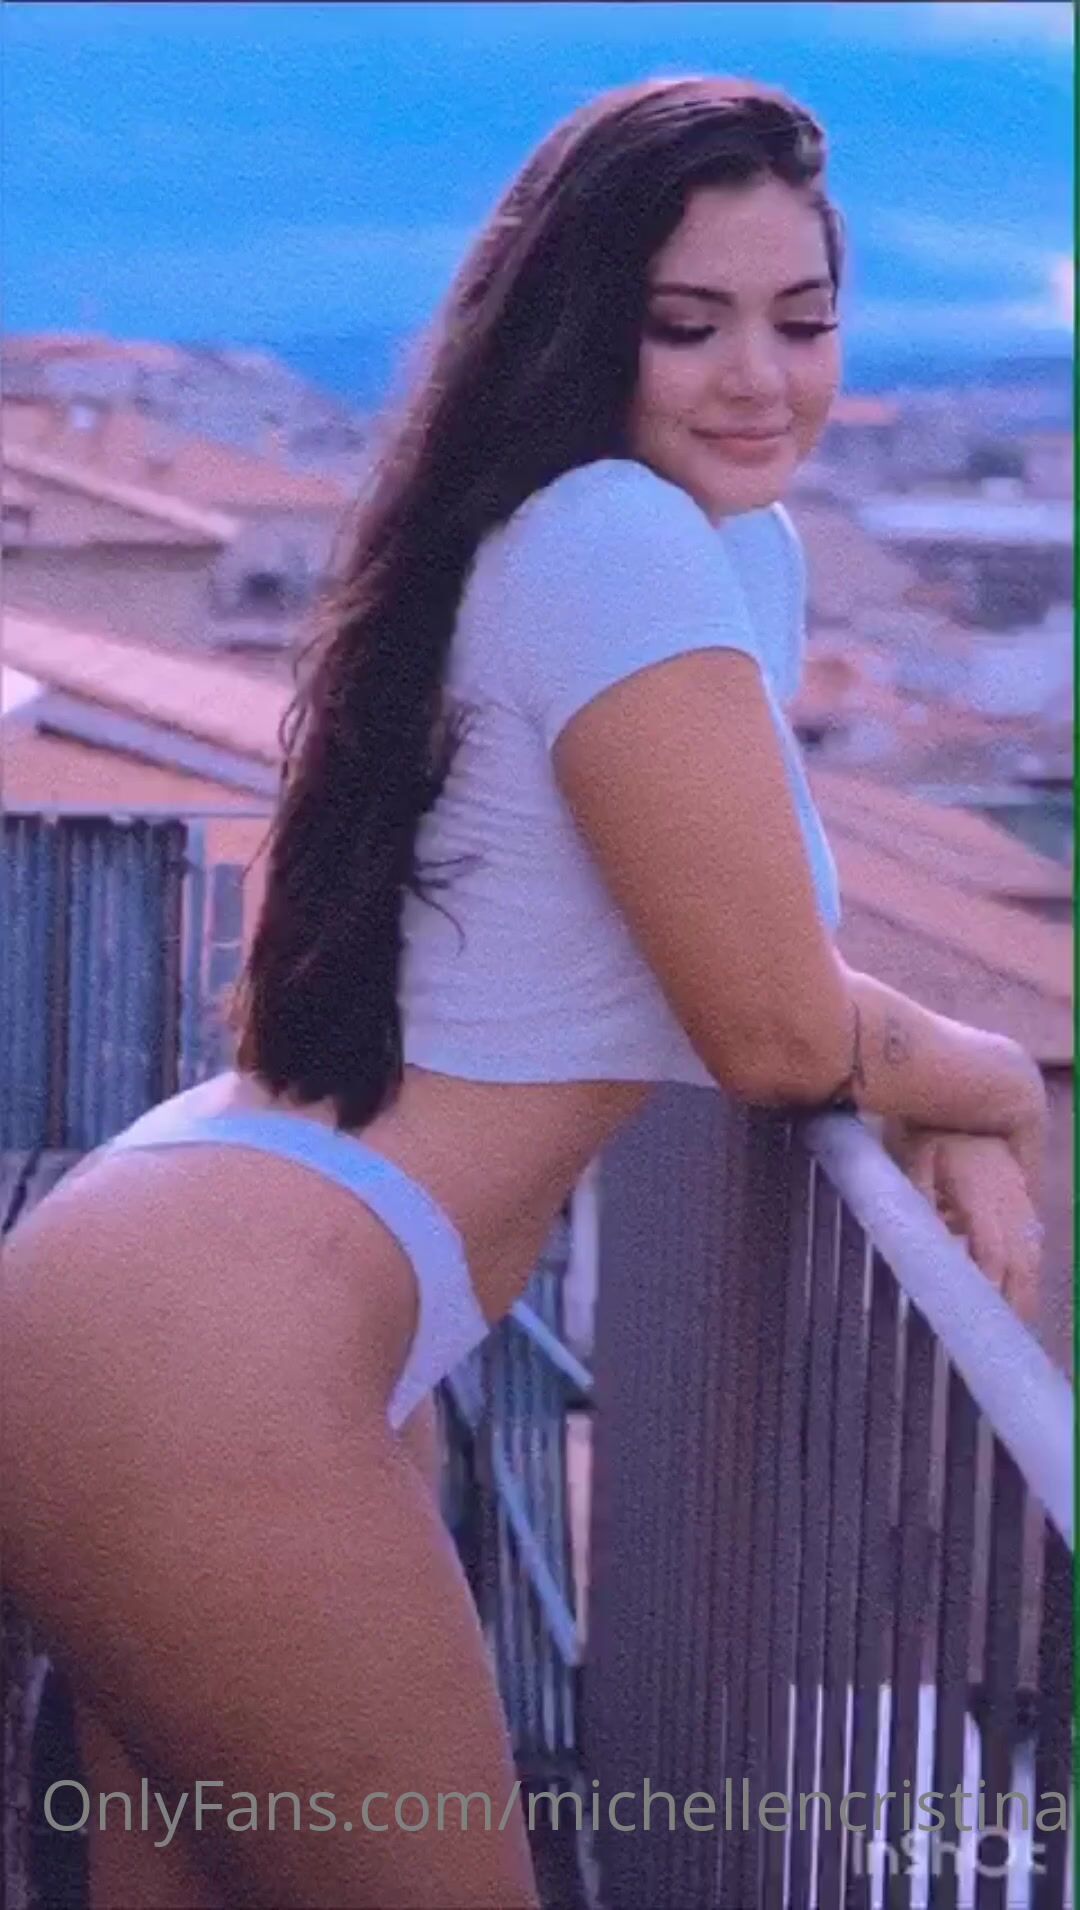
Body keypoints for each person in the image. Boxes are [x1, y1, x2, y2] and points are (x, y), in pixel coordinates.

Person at [1, 75, 1047, 1910]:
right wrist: (992, 1081)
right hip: (211, 1341)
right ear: (581, 326)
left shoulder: (707, 546)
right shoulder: (610, 536)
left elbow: (734, 945)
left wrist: (905, 1075)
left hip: (235, 1299)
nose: (759, 377)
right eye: (687, 323)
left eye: (803, 322)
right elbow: (774, 1030)